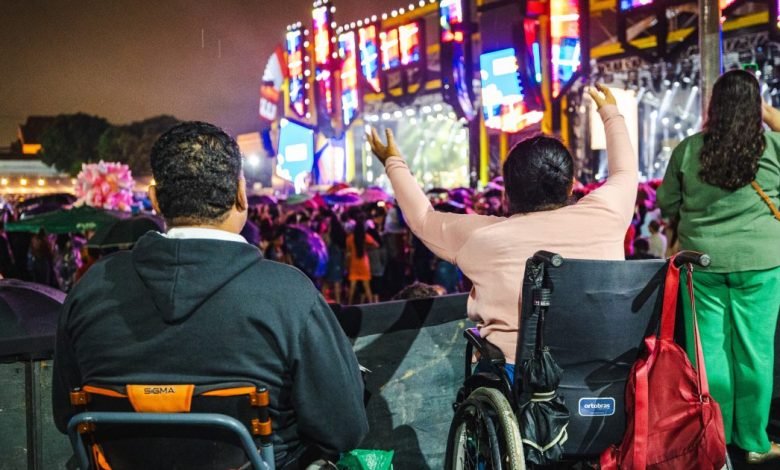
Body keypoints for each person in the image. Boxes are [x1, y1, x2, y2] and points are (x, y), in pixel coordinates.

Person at [52, 121, 368, 468]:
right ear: (240, 194)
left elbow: (67, 415)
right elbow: (345, 429)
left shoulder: (90, 289)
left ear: (155, 200)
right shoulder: (289, 295)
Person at [367, 84, 636, 381]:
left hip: (513, 384)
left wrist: (393, 162)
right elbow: (625, 173)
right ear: (571, 184)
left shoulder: (482, 238)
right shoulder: (607, 215)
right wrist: (610, 113)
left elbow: (422, 219)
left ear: (507, 192)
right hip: (602, 379)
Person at [657, 70, 780, 464]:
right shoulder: (773, 147)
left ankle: (715, 440)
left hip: (703, 265)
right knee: (755, 353)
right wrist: (768, 113)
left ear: (714, 106)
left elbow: (666, 203)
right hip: (761, 264)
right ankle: (755, 442)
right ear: (756, 106)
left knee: (708, 354)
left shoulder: (689, 149)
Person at [345, 211, 378, 304]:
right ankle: (371, 305)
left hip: (354, 263)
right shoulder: (365, 236)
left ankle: (349, 304)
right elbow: (376, 245)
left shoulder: (350, 238)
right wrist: (366, 247)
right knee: (367, 286)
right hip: (364, 262)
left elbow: (348, 251)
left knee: (352, 286)